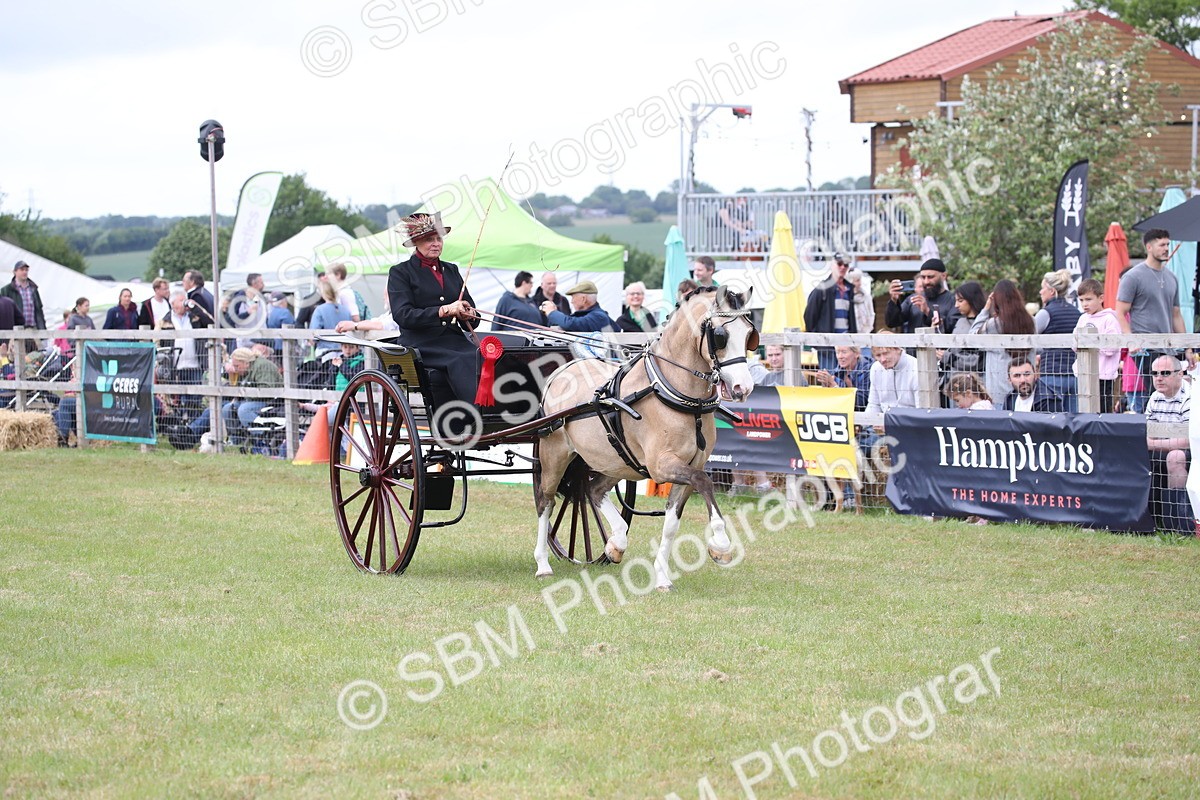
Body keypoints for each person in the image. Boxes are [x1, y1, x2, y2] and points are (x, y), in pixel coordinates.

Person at [387, 212, 481, 408]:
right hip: (421, 344)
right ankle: (478, 412)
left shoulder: (452, 270)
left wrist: (470, 314)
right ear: (416, 243)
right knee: (462, 358)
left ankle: (500, 411)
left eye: (439, 238)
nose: (436, 243)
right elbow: (403, 316)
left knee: (485, 356)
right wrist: (444, 310)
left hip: (454, 340)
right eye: (429, 239)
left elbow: (472, 317)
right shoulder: (401, 272)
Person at [1116, 228, 1192, 401]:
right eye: (1161, 245)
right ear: (1149, 247)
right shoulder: (1132, 277)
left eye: (1167, 244)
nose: (1166, 248)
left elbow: (1176, 315)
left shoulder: (1172, 277)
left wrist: (1187, 347)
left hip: (1170, 347)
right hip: (1146, 348)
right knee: (1156, 395)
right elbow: (1120, 312)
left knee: (1175, 396)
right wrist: (1131, 340)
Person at [187, 347, 283, 448]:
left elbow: (266, 390)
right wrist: (231, 373)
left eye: (237, 366)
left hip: (270, 401)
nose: (235, 369)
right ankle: (236, 441)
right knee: (227, 408)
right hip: (251, 399)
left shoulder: (262, 366)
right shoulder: (245, 370)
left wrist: (244, 393)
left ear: (246, 362)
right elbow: (234, 383)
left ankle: (260, 438)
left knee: (244, 410)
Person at [973, 279, 1035, 406]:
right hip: (1026, 389)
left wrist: (985, 309)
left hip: (999, 391)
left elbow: (972, 337)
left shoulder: (994, 324)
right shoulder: (1032, 321)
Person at [1033, 268, 1082, 412]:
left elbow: (1030, 339)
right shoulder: (1077, 313)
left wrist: (1041, 351)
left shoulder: (1045, 313)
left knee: (1050, 418)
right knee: (1074, 420)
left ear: (1052, 291)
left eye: (1043, 288)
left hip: (1051, 373)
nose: (1040, 292)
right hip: (1074, 374)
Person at [803, 252, 858, 372]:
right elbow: (809, 317)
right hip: (828, 347)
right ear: (832, 265)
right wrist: (819, 343)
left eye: (846, 264)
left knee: (848, 383)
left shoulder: (850, 289)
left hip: (847, 346)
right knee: (830, 381)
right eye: (839, 264)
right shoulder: (821, 289)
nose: (843, 267)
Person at [1074, 278, 1122, 413]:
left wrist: (1090, 344)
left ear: (1101, 298)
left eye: (1088, 299)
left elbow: (1111, 348)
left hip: (1104, 377)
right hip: (1083, 375)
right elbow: (1075, 343)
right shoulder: (1082, 319)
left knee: (1102, 413)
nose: (1084, 304)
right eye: (1081, 300)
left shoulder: (1110, 319)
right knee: (1084, 412)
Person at [1144, 354, 1191, 490]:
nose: (1159, 378)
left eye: (1165, 373)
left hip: (1192, 449)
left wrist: (1152, 444)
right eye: (1155, 373)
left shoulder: (1190, 396)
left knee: (1175, 457)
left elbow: (1187, 440)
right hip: (1164, 444)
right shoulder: (1155, 396)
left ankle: (1177, 507)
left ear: (1180, 374)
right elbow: (1148, 430)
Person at [886, 258, 957, 334]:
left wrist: (928, 312)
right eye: (923, 277)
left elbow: (952, 326)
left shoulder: (954, 300)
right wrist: (894, 300)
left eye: (930, 277)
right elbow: (892, 322)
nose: (926, 282)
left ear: (944, 276)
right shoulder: (913, 299)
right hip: (913, 345)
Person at [865, 340, 919, 415]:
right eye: (878, 355)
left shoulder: (917, 368)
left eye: (886, 353)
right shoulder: (876, 368)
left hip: (910, 423)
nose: (882, 359)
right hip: (881, 421)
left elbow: (921, 411)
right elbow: (873, 405)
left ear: (897, 349)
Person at [541, 280, 617, 333]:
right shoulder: (593, 315)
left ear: (583, 299)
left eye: (573, 297)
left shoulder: (599, 316)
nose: (572, 301)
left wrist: (552, 312)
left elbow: (570, 324)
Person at [814, 345, 872, 411]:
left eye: (844, 352)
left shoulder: (868, 370)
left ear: (856, 354)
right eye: (837, 352)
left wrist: (834, 386)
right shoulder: (836, 372)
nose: (840, 357)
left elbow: (861, 402)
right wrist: (826, 387)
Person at [1, 261, 46, 333]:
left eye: (26, 270)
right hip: (16, 330)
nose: (25, 272)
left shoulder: (33, 289)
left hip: (33, 329)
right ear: (15, 272)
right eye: (22, 269)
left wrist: (42, 329)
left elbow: (39, 311)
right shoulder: (7, 290)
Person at [310, 281, 353, 354]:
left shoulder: (319, 310)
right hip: (343, 352)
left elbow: (313, 333)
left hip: (324, 351)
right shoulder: (346, 310)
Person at [846, 268, 875, 347]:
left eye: (859, 280)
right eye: (857, 280)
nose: (859, 283)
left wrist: (867, 330)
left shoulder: (867, 297)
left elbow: (871, 314)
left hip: (865, 338)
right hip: (849, 340)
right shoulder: (845, 298)